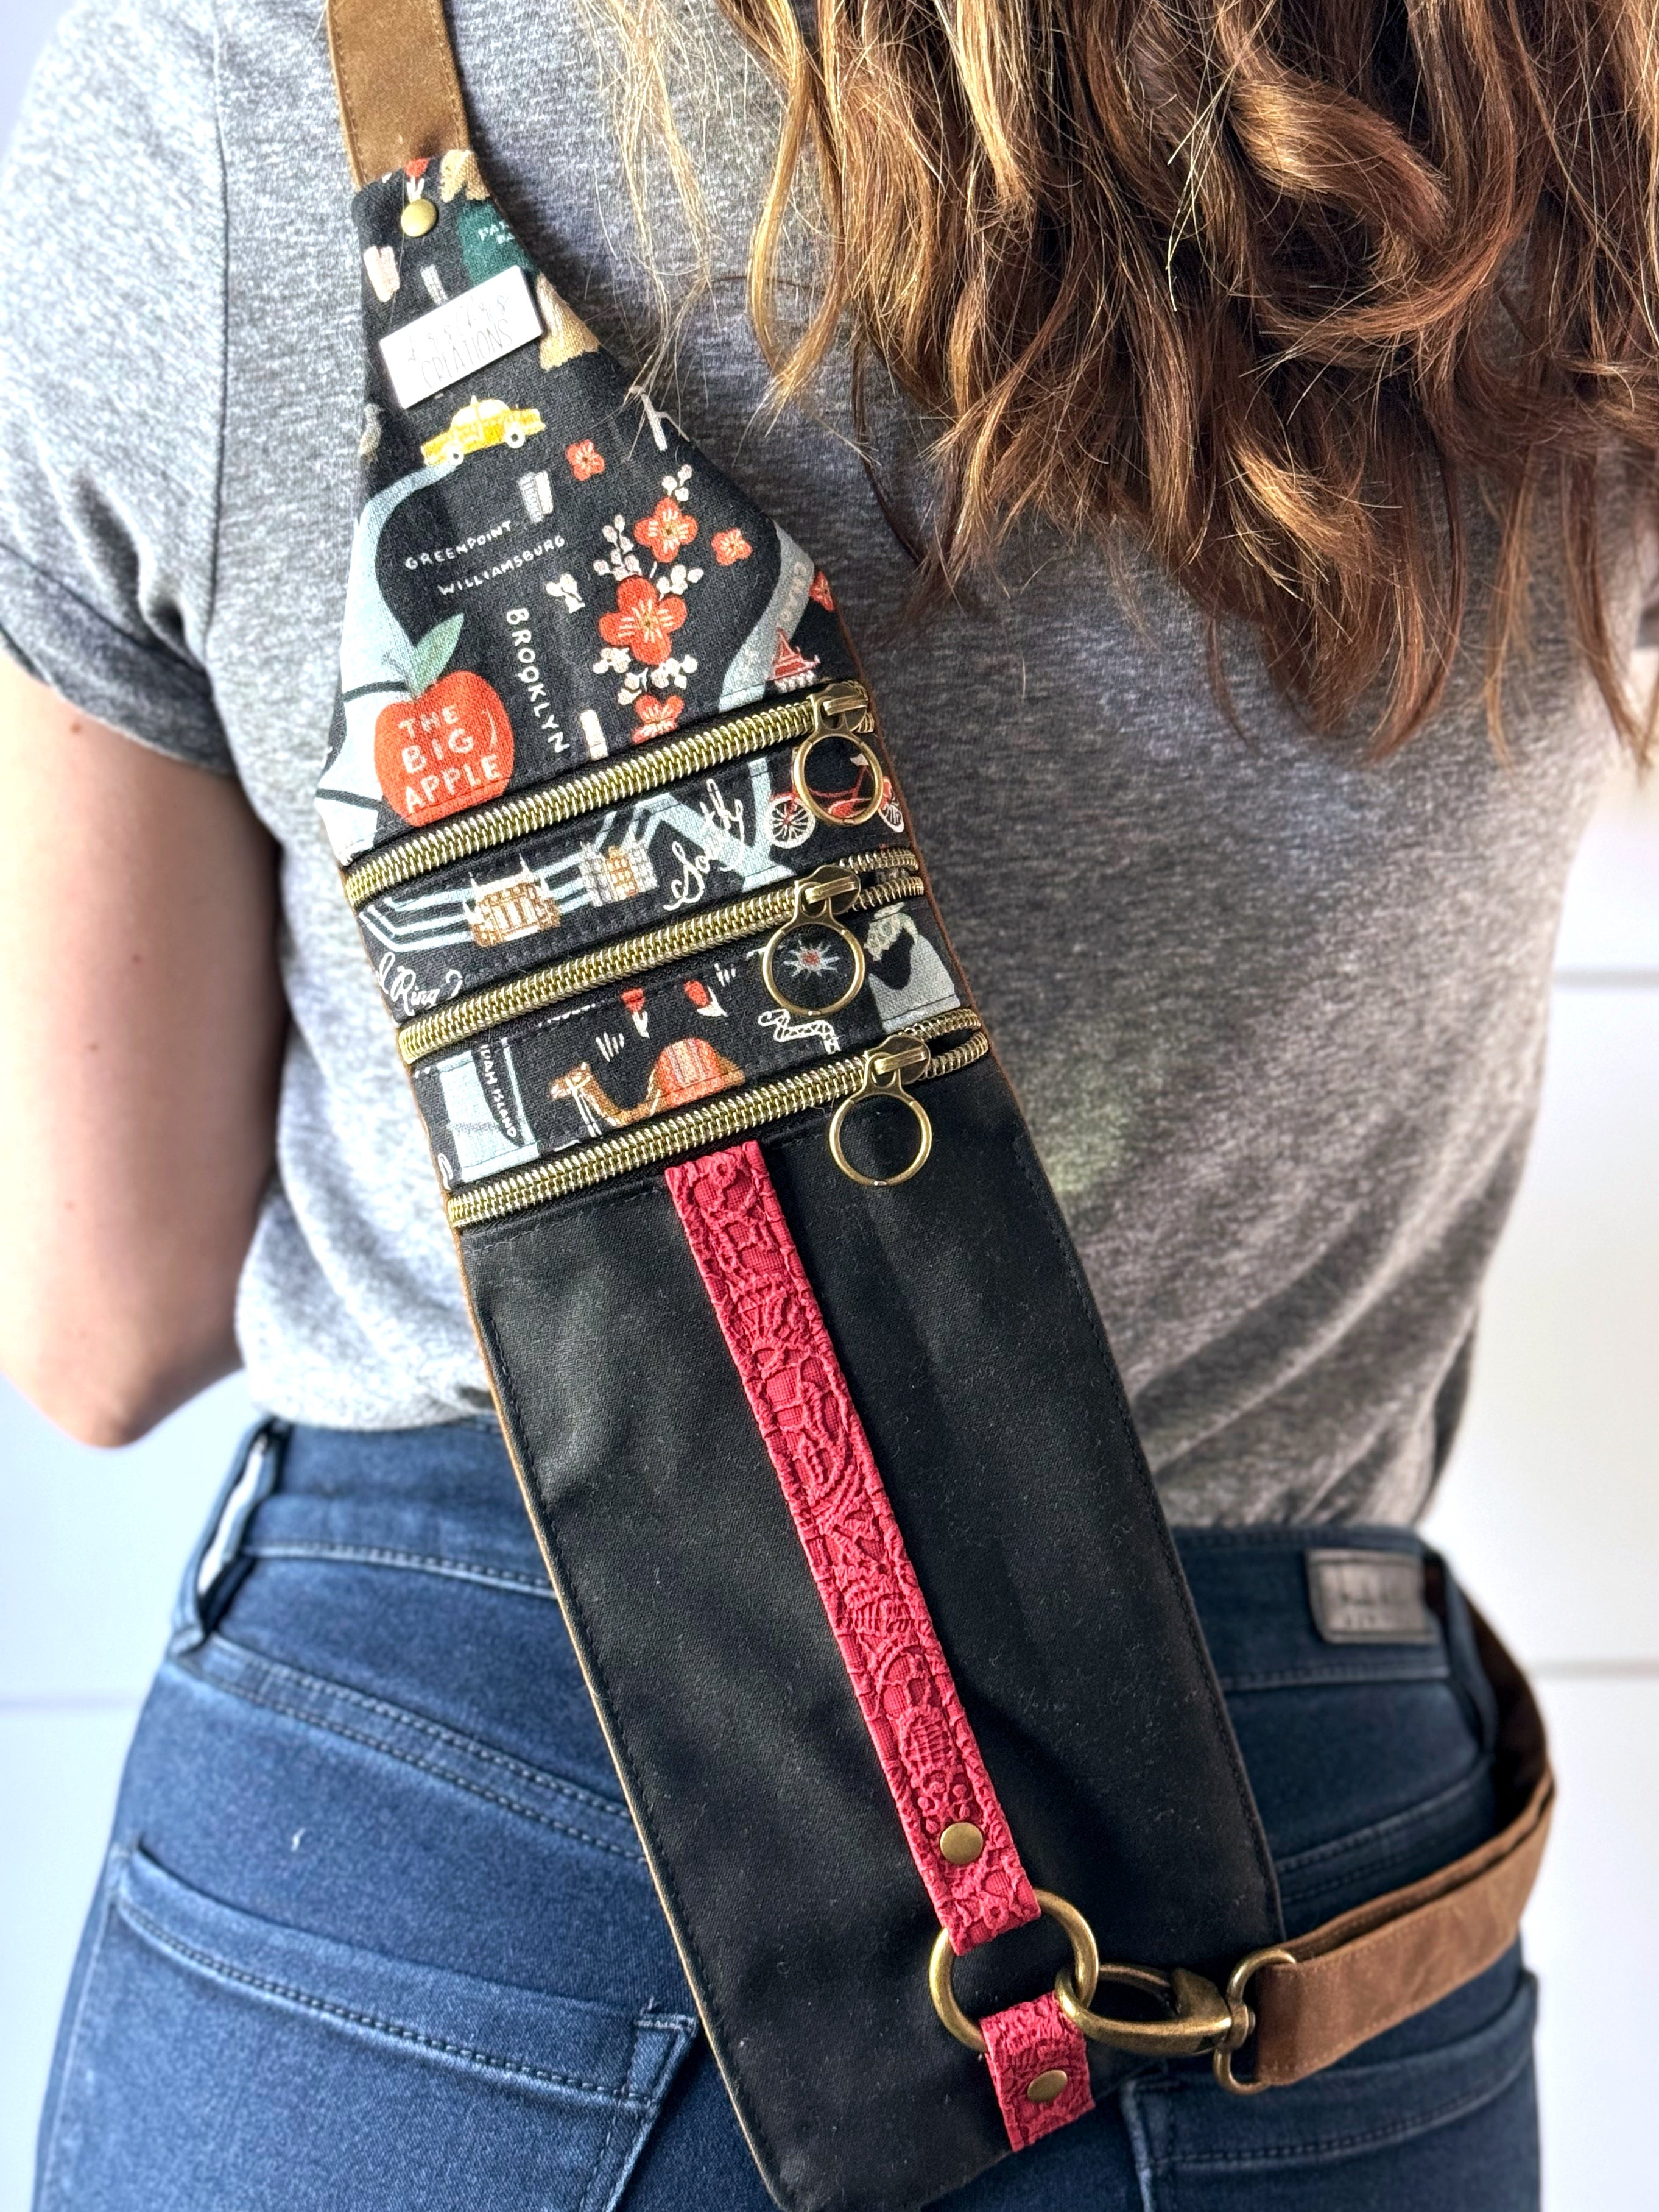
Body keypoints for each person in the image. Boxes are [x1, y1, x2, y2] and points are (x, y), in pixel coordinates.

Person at [1, 0, 1654, 2203]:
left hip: (484, 1817)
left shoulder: (251, 67)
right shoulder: (1555, 111)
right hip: (1313, 1885)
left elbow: (104, 1323)